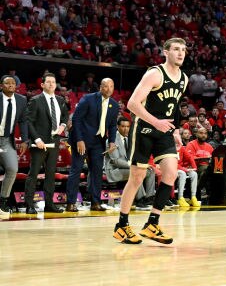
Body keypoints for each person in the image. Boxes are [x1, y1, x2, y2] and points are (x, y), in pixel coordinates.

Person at [114, 37, 188, 245]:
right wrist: (156, 122)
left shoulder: (184, 78)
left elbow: (173, 108)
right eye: (176, 49)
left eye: (183, 50)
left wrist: (175, 132)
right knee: (137, 178)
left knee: (171, 172)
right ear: (166, 52)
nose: (180, 53)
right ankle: (122, 225)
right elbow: (132, 104)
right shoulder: (155, 73)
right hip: (145, 129)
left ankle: (152, 223)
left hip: (164, 130)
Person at [66, 77, 119, 212]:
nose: (109, 89)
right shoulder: (88, 99)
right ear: (100, 87)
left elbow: (113, 125)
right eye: (106, 86)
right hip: (82, 139)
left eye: (111, 86)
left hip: (98, 141)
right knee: (76, 170)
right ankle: (71, 202)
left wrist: (112, 141)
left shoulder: (114, 104)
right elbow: (76, 119)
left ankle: (95, 202)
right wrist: (79, 140)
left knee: (96, 172)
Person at [24, 72, 70, 214]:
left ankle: (49, 204)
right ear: (42, 85)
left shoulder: (60, 100)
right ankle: (29, 205)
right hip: (39, 143)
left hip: (54, 142)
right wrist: (37, 139)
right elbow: (28, 121)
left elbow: (65, 115)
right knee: (34, 174)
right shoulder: (35, 100)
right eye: (48, 82)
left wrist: (63, 125)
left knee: (50, 174)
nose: (51, 84)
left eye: (53, 82)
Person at [105, 117, 155, 209]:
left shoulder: (129, 139)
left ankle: (149, 197)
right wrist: (134, 165)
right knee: (136, 172)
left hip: (127, 168)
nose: (126, 129)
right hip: (114, 170)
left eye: (128, 127)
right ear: (118, 127)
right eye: (123, 126)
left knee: (150, 171)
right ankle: (140, 199)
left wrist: (141, 164)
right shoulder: (111, 141)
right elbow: (116, 161)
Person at [0, 74, 28, 218]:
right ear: (1, 86)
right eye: (7, 83)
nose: (11, 85)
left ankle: (3, 200)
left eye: (13, 83)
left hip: (5, 140)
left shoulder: (21, 100)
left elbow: (23, 121)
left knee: (12, 168)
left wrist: (24, 140)